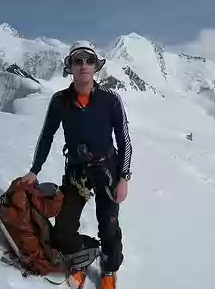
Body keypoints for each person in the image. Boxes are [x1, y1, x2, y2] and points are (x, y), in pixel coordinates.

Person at [21, 40, 132, 289]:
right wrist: (34, 170)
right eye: (77, 61)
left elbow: (124, 139)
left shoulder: (110, 99)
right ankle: (86, 252)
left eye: (89, 60)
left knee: (109, 224)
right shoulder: (60, 100)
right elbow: (47, 135)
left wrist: (124, 177)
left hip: (107, 169)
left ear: (96, 66)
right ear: (70, 67)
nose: (83, 66)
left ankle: (109, 268)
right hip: (76, 171)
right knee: (63, 230)